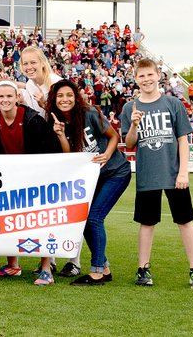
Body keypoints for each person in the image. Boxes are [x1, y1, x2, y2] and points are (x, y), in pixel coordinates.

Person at [120, 58, 193, 289]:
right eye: (141, 76)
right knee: (147, 223)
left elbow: (182, 140)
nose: (146, 79)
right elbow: (129, 144)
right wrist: (134, 125)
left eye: (150, 75)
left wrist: (183, 173)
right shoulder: (130, 108)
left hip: (173, 174)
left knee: (185, 221)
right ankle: (143, 269)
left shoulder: (172, 103)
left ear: (158, 75)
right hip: (148, 175)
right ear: (135, 79)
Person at [47, 79, 131, 285]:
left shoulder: (90, 114)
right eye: (60, 96)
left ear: (75, 97)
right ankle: (105, 268)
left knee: (94, 218)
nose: (65, 99)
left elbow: (113, 136)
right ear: (54, 100)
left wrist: (107, 155)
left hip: (115, 172)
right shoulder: (57, 121)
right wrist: (60, 134)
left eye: (69, 95)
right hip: (93, 178)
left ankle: (96, 272)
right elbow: (70, 155)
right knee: (85, 221)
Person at [0, 80, 60, 284]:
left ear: (17, 98)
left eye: (9, 96)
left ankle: (46, 268)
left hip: (35, 178)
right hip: (9, 179)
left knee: (40, 221)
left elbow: (50, 148)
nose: (5, 100)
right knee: (9, 221)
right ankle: (13, 265)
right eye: (1, 97)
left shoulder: (32, 119)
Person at [20, 45, 61, 117]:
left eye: (33, 62)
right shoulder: (29, 84)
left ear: (42, 63)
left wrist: (44, 104)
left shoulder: (57, 83)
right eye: (25, 63)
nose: (29, 67)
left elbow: (66, 115)